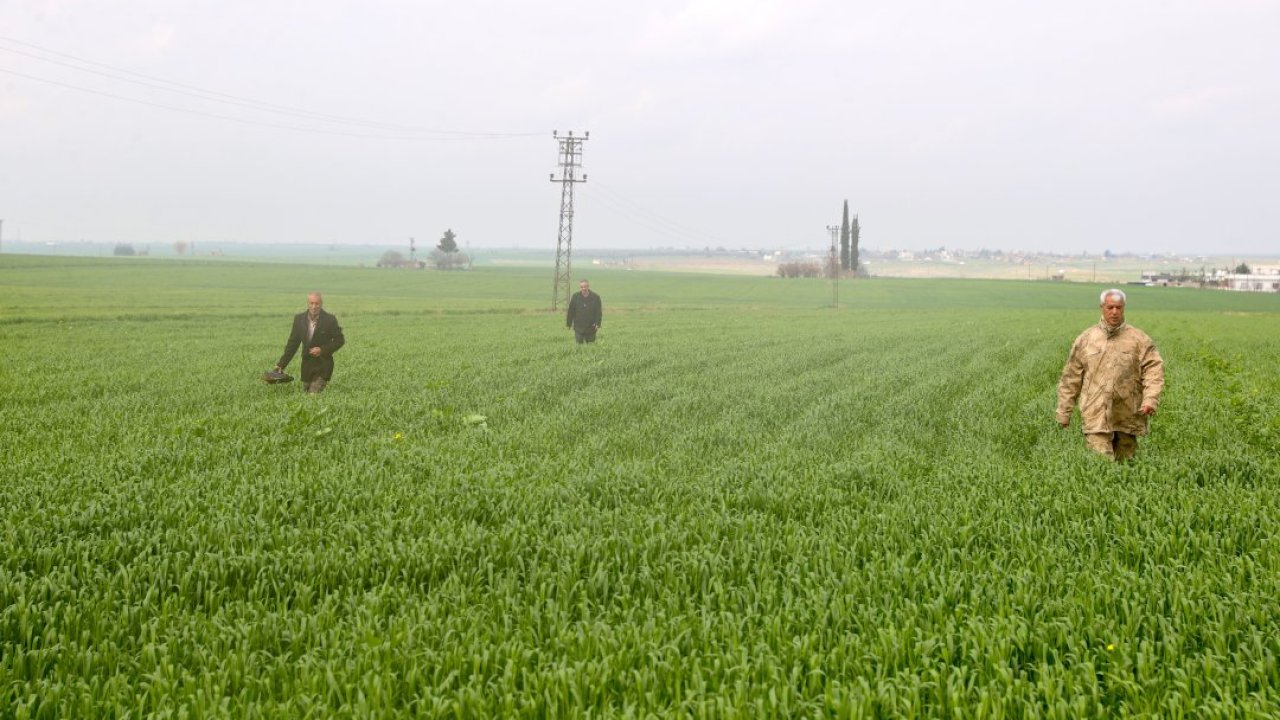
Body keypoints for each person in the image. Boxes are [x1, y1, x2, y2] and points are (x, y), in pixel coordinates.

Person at [1056, 288, 1164, 461]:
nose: (1114, 312)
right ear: (1102, 307)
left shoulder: (1139, 339)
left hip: (1128, 413)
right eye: (1110, 307)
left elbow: (1154, 371)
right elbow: (1070, 378)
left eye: (1118, 307)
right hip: (1095, 412)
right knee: (1101, 464)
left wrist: (1151, 399)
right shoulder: (1086, 339)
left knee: (1126, 464)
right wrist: (1064, 412)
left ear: (1124, 308)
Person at [275, 291, 345, 393]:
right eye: (311, 303)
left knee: (313, 396)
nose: (314, 306)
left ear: (321, 304)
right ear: (307, 304)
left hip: (323, 365)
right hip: (307, 367)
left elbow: (340, 340)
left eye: (317, 303)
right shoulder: (299, 319)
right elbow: (293, 344)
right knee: (307, 397)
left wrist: (322, 350)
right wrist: (281, 365)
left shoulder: (329, 320)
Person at [565, 279, 602, 343]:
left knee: (591, 347)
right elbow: (571, 311)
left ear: (588, 286)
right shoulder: (575, 297)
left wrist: (597, 323)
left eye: (585, 286)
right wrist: (569, 323)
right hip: (578, 327)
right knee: (579, 346)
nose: (583, 288)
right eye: (582, 287)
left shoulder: (595, 297)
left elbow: (598, 312)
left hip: (591, 327)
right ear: (580, 287)